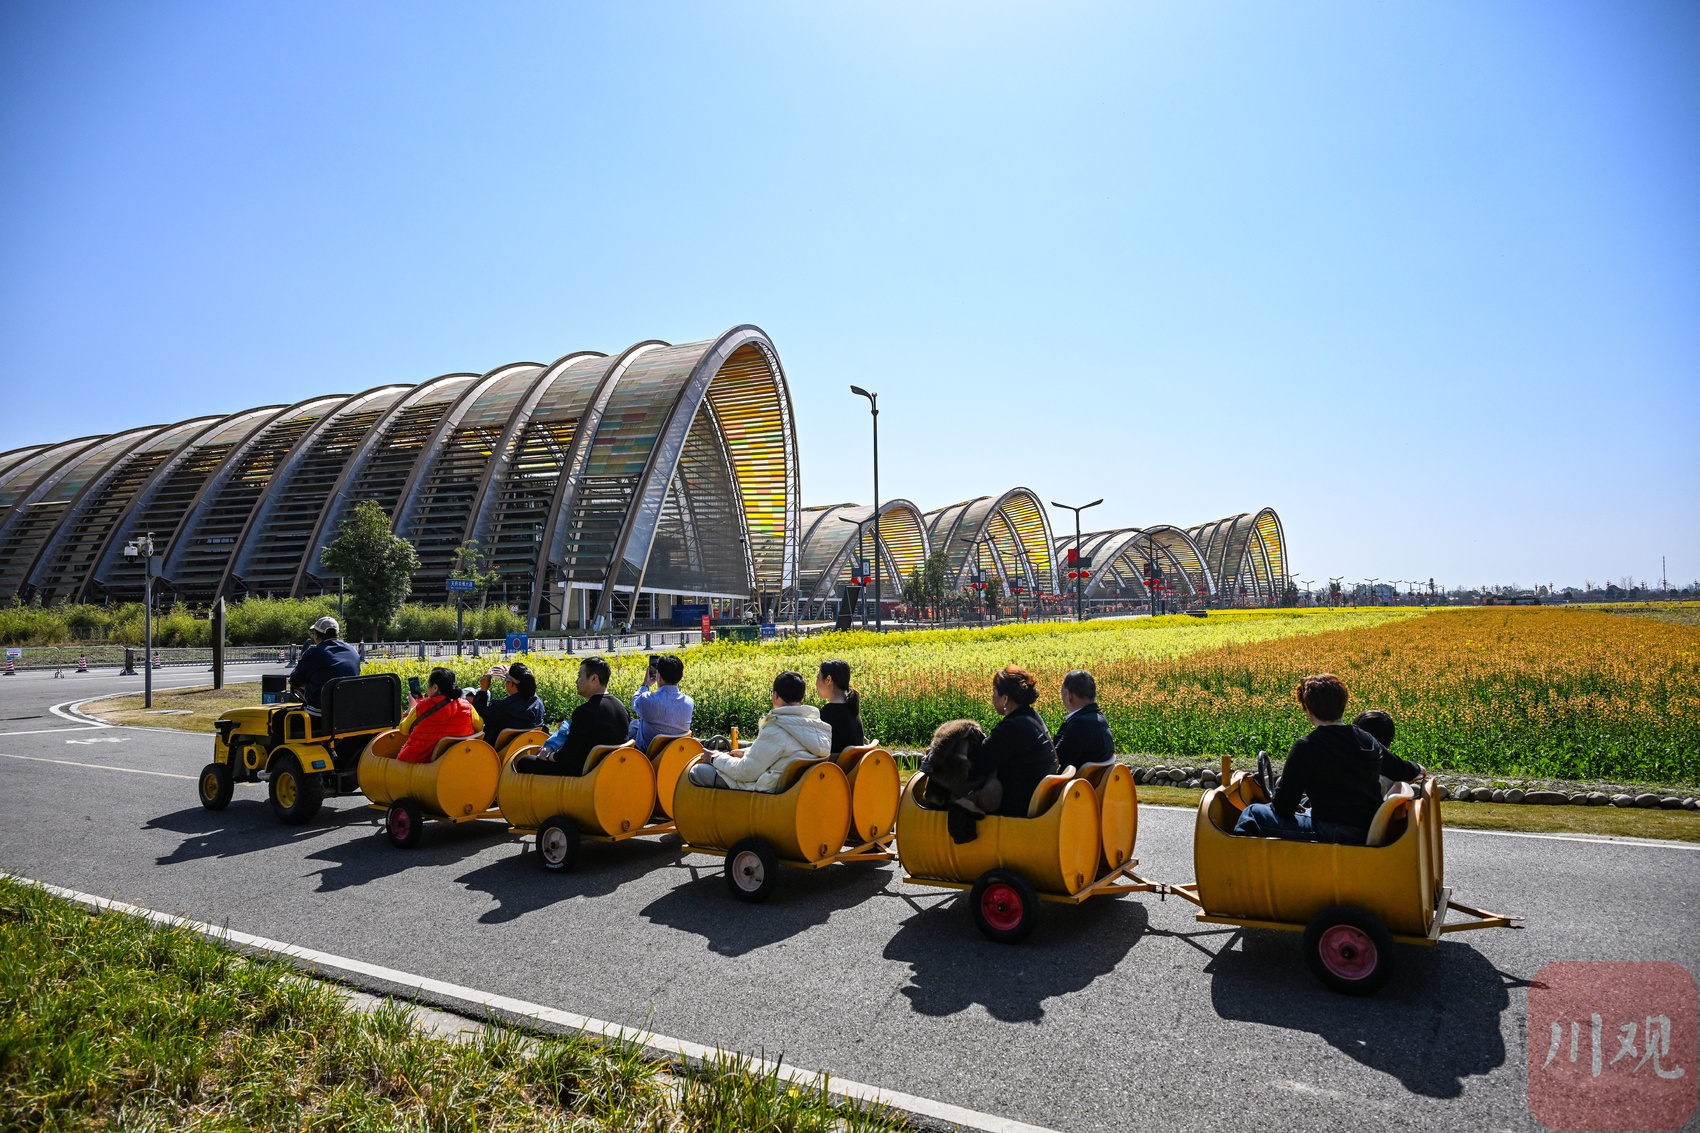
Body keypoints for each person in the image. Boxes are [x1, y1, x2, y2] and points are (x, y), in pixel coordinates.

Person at [1234, 674, 1424, 844]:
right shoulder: (1366, 739)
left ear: (1308, 710)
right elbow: (1400, 769)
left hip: (1332, 832)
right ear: (1343, 703)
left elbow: (1283, 807)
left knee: (1252, 813)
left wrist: (1285, 803)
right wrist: (1417, 768)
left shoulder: (1307, 746)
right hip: (1365, 827)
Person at [688, 670, 831, 792]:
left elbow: (745, 772)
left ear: (776, 696)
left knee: (697, 771)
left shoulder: (777, 728)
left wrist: (715, 757)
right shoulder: (815, 729)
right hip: (792, 790)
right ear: (802, 698)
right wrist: (748, 752)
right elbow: (784, 751)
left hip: (763, 790)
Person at [968, 665, 1059, 817]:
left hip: (1013, 807)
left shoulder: (1013, 728)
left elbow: (976, 764)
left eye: (994, 692)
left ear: (1005, 699)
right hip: (1030, 799)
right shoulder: (1032, 717)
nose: (992, 697)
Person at [514, 657, 629, 777]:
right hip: (611, 771)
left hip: (583, 774)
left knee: (524, 761)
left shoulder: (585, 711)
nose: (576, 681)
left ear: (594, 678)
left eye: (579, 676)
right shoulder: (621, 707)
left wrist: (547, 755)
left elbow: (567, 755)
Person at [393, 667, 482, 763]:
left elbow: (404, 729)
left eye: (428, 684)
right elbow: (479, 726)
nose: (426, 687)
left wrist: (410, 708)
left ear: (435, 688)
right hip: (457, 762)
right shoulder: (467, 707)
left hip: (420, 764)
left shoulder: (421, 707)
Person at [287, 616, 360, 711]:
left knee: (278, 716)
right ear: (338, 634)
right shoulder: (352, 651)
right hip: (348, 711)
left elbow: (295, 681)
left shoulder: (314, 653)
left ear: (316, 636)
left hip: (320, 714)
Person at [470, 661, 544, 748]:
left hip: (500, 751)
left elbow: (478, 715)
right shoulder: (537, 703)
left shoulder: (503, 708)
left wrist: (483, 689)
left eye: (506, 680)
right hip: (529, 747)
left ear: (511, 684)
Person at [630, 653, 694, 751]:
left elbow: (635, 702)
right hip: (676, 754)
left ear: (658, 677)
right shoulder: (689, 703)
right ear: (681, 676)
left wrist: (645, 684)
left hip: (649, 756)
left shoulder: (646, 700)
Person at [1052, 668, 1113, 770]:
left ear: (1069, 695)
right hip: (1092, 779)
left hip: (1075, 780)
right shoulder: (1100, 719)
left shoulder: (1080, 724)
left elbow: (1056, 760)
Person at [815, 659, 865, 753]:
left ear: (828, 680)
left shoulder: (827, 714)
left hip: (835, 763)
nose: (816, 684)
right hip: (854, 762)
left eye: (818, 678)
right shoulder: (852, 708)